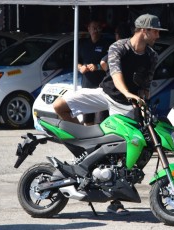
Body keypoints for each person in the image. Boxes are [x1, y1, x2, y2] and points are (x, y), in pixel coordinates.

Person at [53, 14, 167, 214]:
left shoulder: (152, 55)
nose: (158, 35)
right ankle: (85, 150)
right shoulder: (118, 47)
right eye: (155, 31)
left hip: (127, 105)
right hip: (105, 94)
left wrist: (142, 102)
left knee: (133, 148)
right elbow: (115, 74)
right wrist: (127, 93)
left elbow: (146, 84)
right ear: (143, 30)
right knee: (59, 106)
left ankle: (116, 199)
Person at [78, 19, 111, 125]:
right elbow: (76, 61)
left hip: (101, 88)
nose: (96, 30)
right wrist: (80, 68)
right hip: (86, 87)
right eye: (94, 28)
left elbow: (110, 64)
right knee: (87, 120)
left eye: (98, 28)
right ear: (89, 29)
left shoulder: (106, 44)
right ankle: (89, 140)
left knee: (100, 121)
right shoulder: (83, 44)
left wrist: (97, 67)